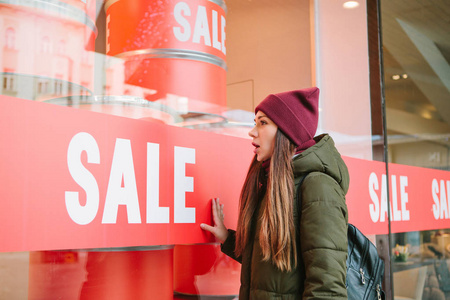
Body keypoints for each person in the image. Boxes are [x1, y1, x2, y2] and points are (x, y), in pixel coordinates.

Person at [200, 87, 349, 299]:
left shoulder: (318, 187)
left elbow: (327, 289)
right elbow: (274, 267)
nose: (252, 132)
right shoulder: (275, 183)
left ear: (287, 132)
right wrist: (227, 237)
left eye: (263, 123)